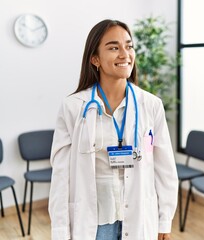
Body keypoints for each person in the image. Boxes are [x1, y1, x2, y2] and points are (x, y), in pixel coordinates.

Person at [48, 19, 178, 240]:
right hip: (95, 222)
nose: (124, 54)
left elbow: (165, 169)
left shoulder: (151, 105)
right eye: (114, 47)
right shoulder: (73, 107)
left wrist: (164, 219)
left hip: (138, 217)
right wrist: (60, 231)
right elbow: (61, 177)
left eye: (129, 46)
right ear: (95, 58)